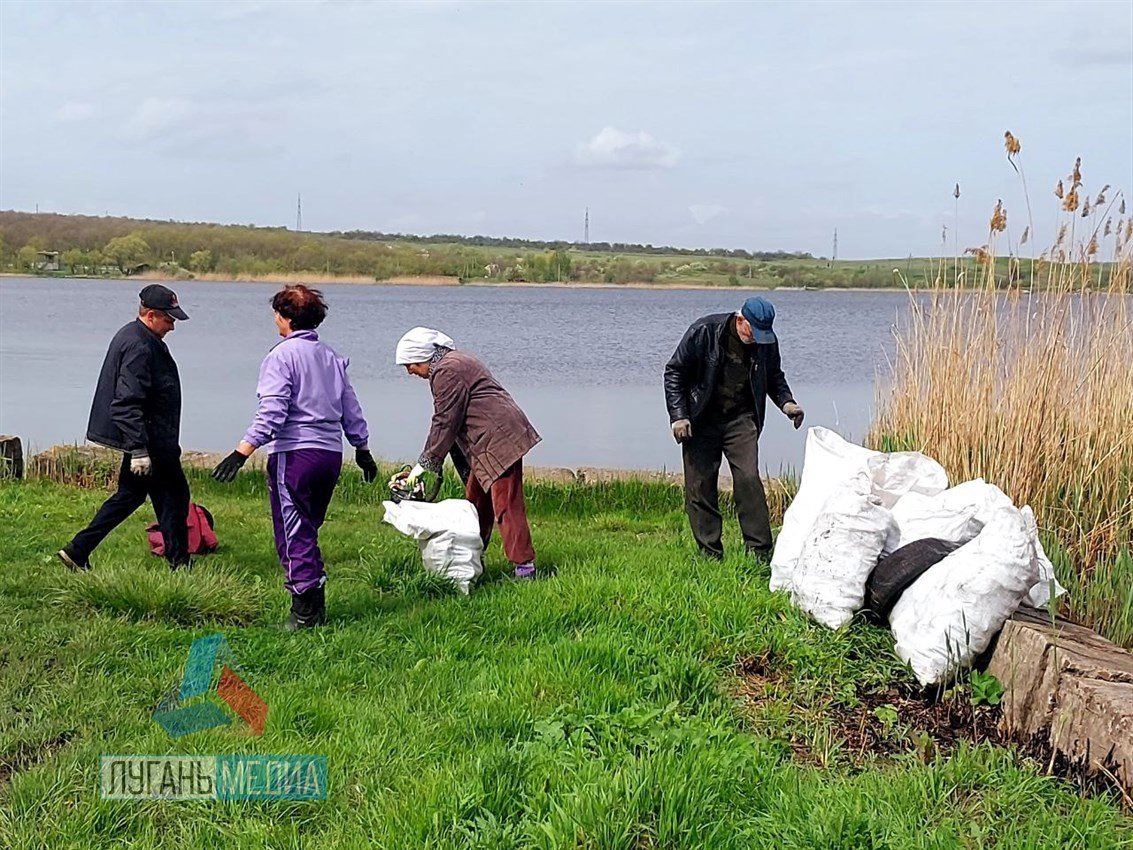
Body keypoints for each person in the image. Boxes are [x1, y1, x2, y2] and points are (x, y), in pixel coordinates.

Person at [211, 285, 376, 629]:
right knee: (308, 528)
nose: (275, 319)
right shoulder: (331, 357)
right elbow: (351, 407)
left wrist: (242, 451)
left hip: (295, 454)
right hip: (330, 455)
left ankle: (304, 613)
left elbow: (273, 411)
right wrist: (362, 448)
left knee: (292, 533)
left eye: (276, 313)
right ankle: (315, 604)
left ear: (285, 317)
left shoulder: (281, 357)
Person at [58, 284, 193, 572]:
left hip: (152, 439)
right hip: (151, 440)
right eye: (169, 319)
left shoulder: (138, 336)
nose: (173, 326)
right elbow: (125, 402)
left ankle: (78, 550)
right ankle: (180, 565)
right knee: (170, 498)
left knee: (143, 497)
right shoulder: (140, 346)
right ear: (152, 314)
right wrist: (139, 449)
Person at [663, 296, 804, 562]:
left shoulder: (765, 342)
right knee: (700, 486)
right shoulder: (704, 331)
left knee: (749, 479)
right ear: (740, 320)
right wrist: (679, 416)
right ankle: (710, 554)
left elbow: (774, 376)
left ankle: (759, 552)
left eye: (764, 334)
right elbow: (674, 373)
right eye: (753, 332)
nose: (757, 339)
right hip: (700, 418)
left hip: (741, 418)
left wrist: (787, 403)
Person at [395, 327, 540, 579]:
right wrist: (435, 463)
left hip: (499, 438)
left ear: (422, 358)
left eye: (410, 365)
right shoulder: (455, 361)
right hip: (488, 439)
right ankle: (471, 555)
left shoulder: (447, 371)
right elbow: (453, 425)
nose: (409, 372)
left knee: (506, 504)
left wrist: (425, 463)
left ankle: (524, 566)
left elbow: (445, 421)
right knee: (475, 502)